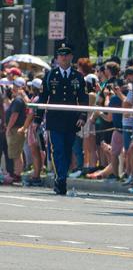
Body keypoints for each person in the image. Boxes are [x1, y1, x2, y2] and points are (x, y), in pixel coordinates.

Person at [35, 41, 87, 195]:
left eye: (66, 55)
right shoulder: (50, 75)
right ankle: (61, 179)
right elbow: (43, 97)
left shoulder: (78, 76)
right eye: (61, 56)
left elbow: (83, 98)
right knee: (57, 149)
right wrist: (38, 119)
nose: (64, 58)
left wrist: (83, 116)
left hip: (71, 119)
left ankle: (61, 176)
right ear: (57, 58)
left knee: (66, 149)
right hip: (55, 119)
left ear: (71, 57)